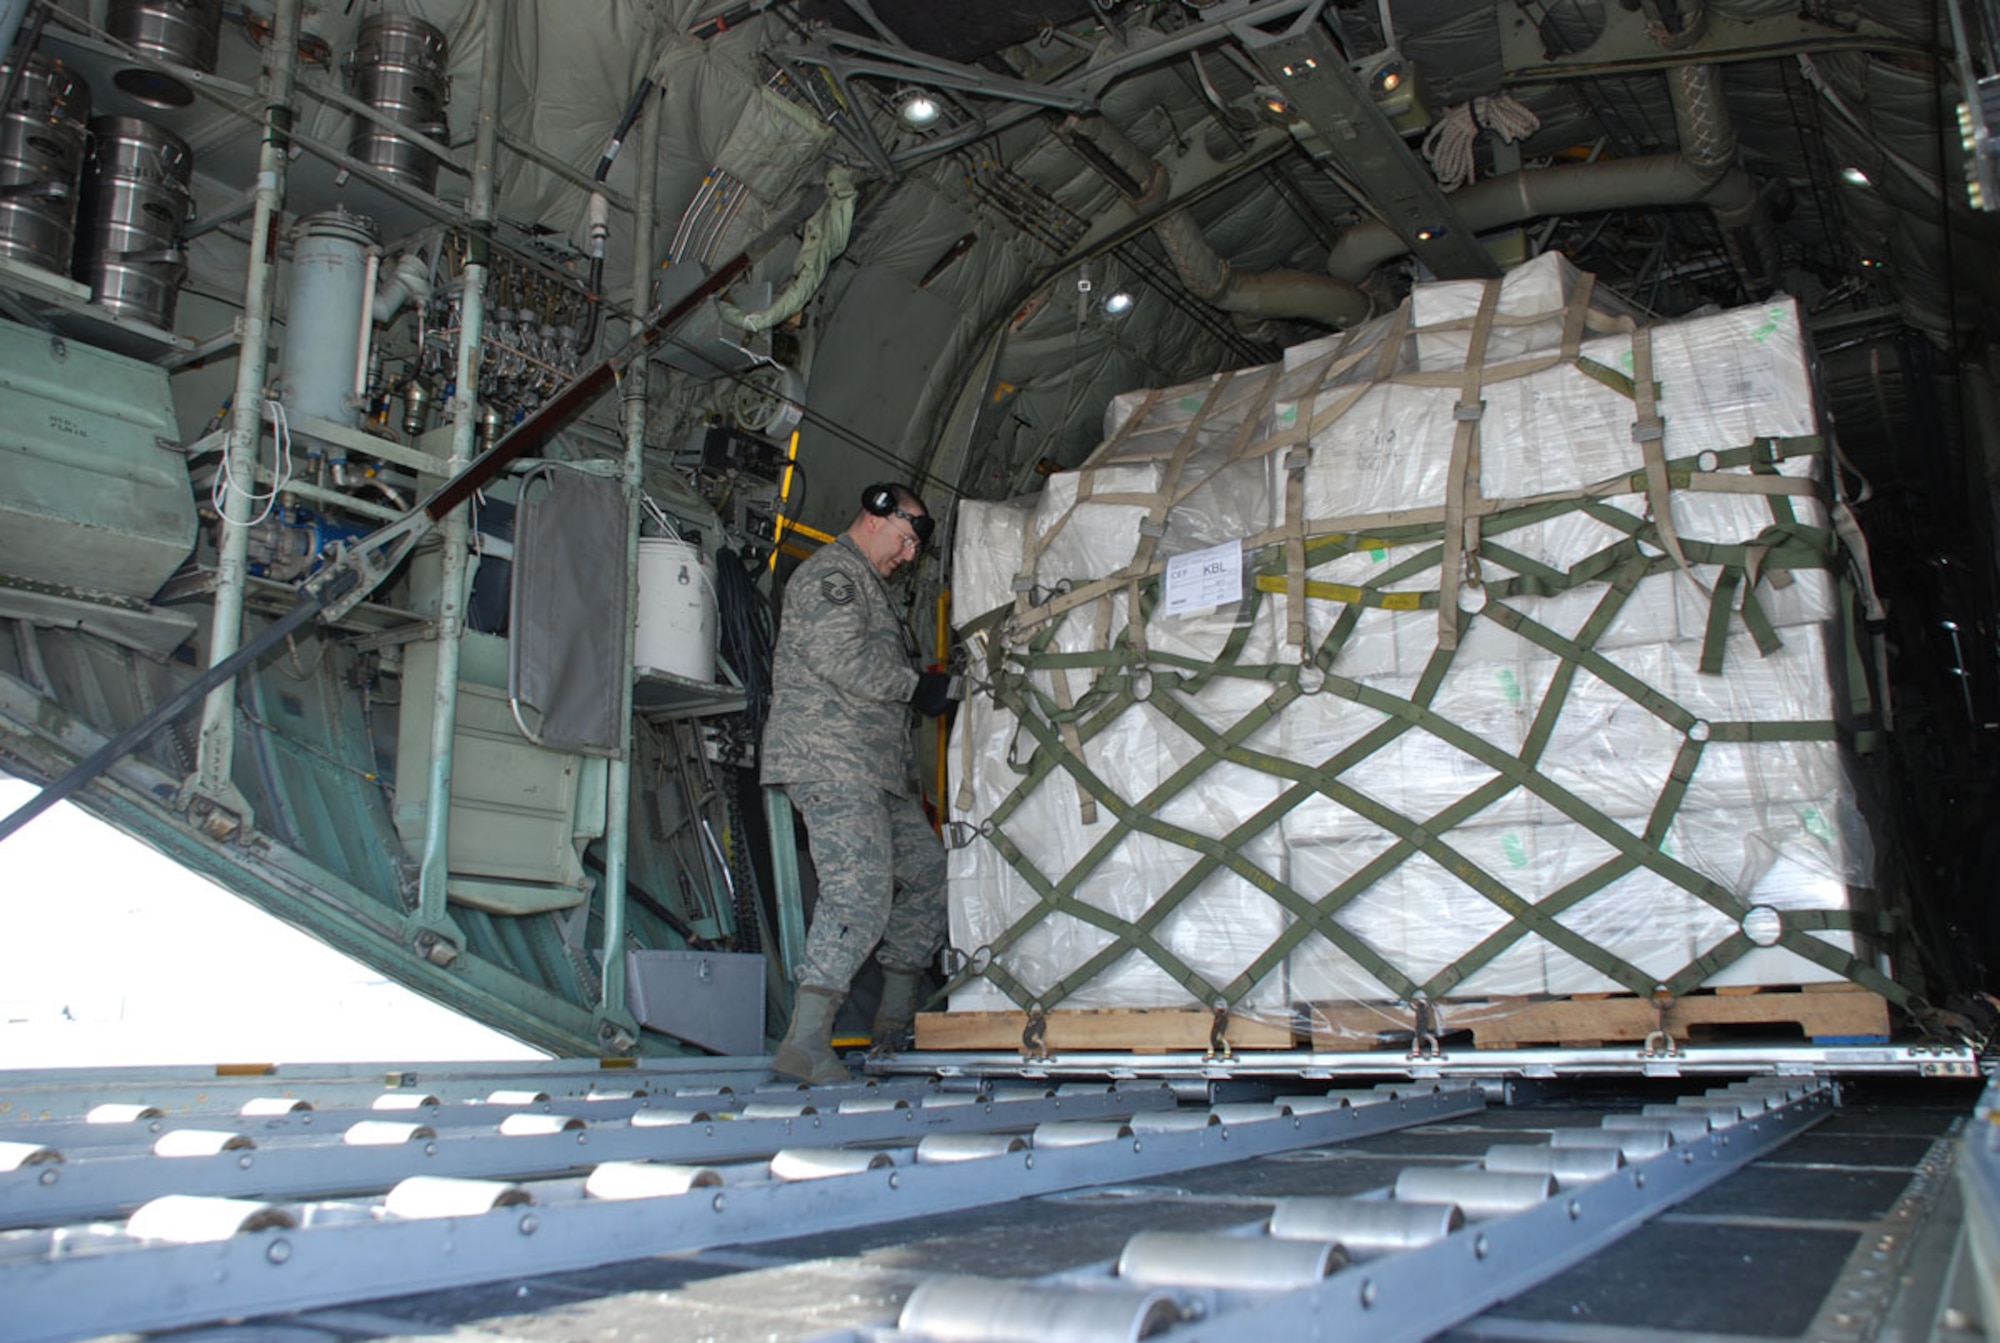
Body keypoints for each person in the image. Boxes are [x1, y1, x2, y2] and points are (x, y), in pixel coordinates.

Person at [761, 482, 955, 1084]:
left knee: (930, 872)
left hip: (876, 773)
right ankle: (806, 1041)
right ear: (876, 514)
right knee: (859, 888)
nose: (905, 557)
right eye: (903, 542)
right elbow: (840, 657)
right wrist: (914, 687)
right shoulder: (832, 577)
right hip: (830, 759)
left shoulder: (872, 588)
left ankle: (894, 1026)